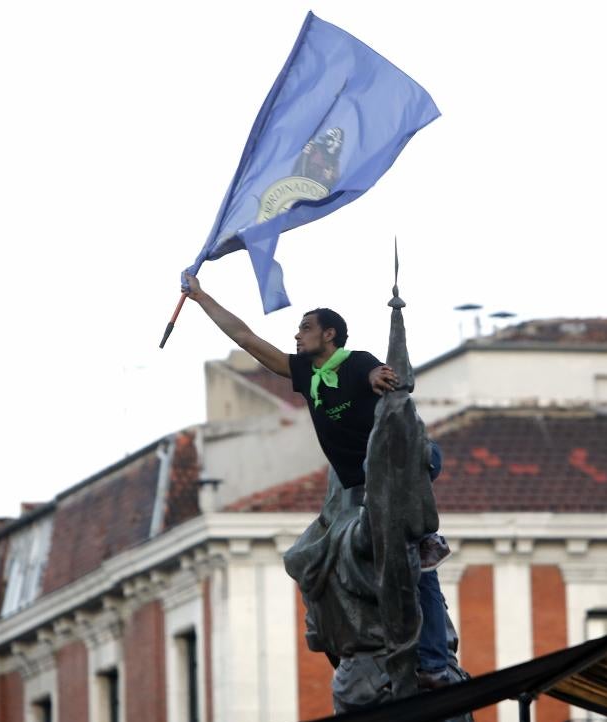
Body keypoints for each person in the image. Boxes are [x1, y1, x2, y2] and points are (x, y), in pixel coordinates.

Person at [183, 273, 451, 688]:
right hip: (357, 488)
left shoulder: (356, 361)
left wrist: (378, 378)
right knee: (305, 559)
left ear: (330, 334)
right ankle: (351, 646)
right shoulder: (307, 374)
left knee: (414, 561)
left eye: (305, 328)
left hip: (403, 466)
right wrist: (201, 297)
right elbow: (247, 339)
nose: (297, 335)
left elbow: (375, 375)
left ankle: (434, 659)